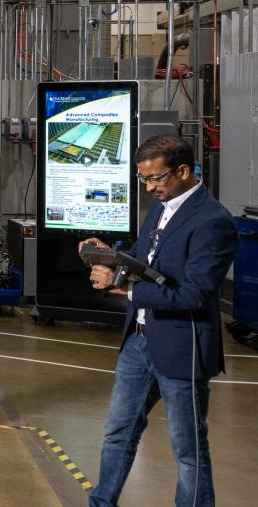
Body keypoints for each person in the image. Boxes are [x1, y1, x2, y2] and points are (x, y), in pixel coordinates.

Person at [81, 134, 237, 507]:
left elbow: (194, 295)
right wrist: (110, 255)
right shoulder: (161, 205)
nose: (150, 188)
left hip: (182, 346)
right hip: (140, 340)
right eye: (144, 180)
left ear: (183, 171)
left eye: (156, 178)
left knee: (188, 450)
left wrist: (126, 291)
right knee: (118, 432)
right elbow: (143, 257)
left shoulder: (213, 222)